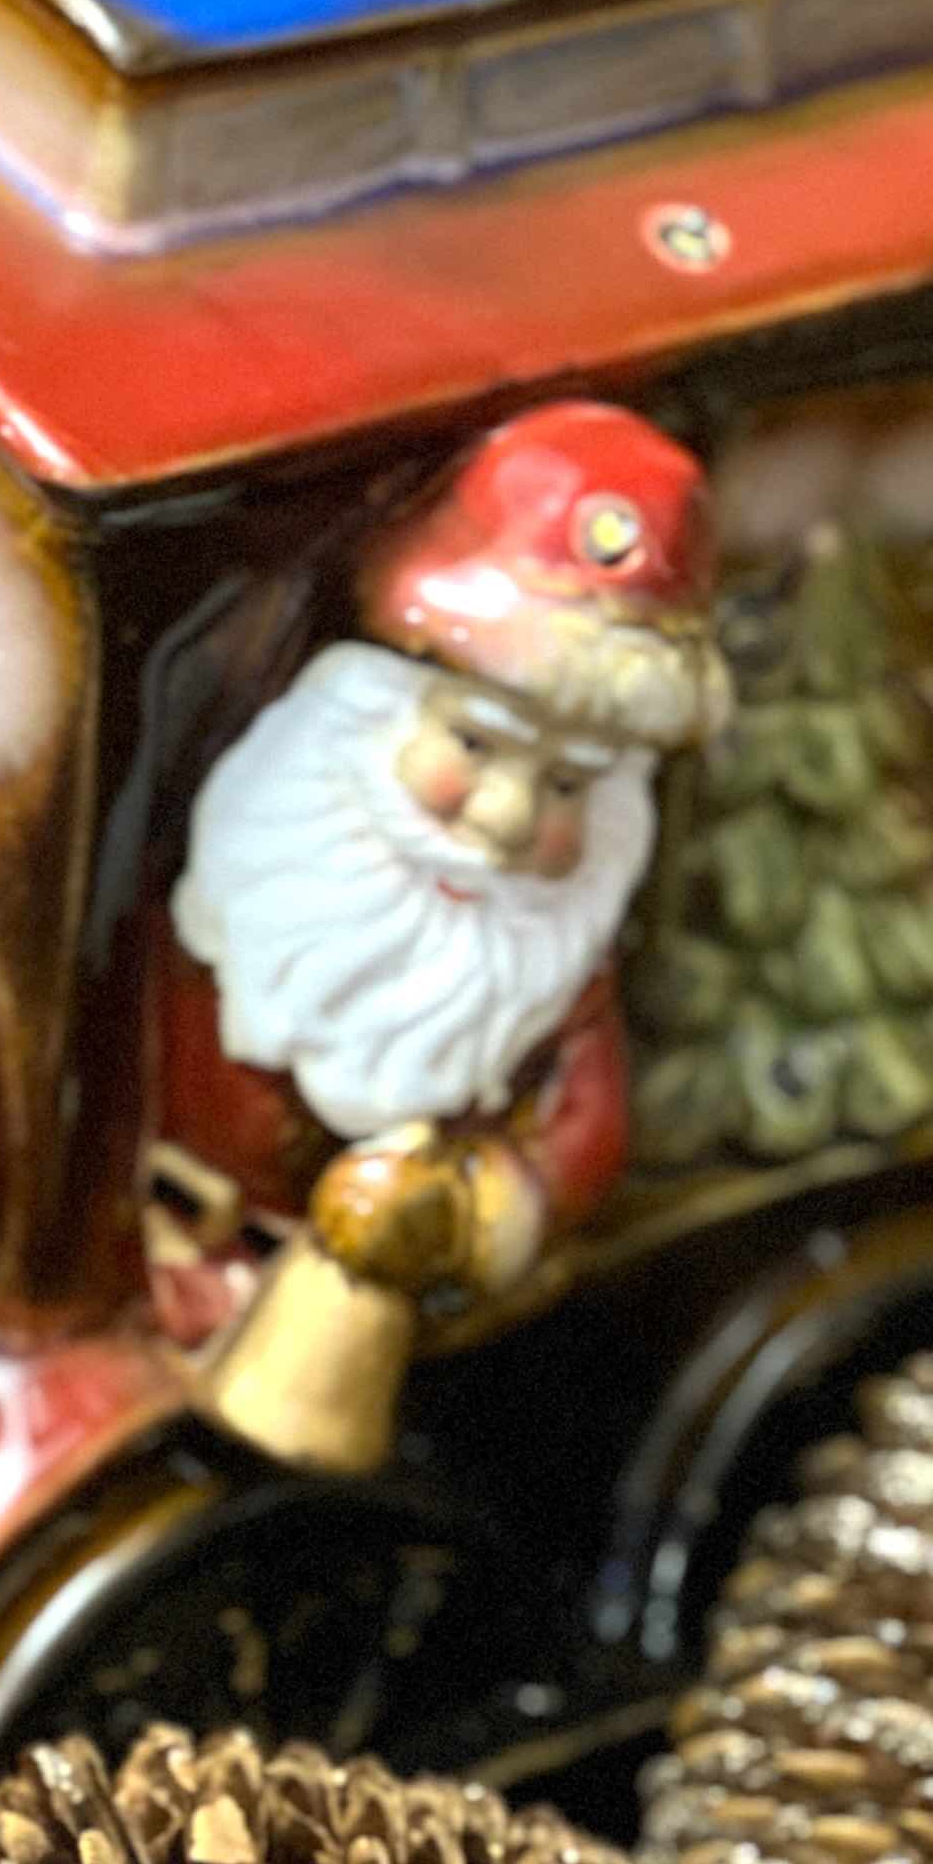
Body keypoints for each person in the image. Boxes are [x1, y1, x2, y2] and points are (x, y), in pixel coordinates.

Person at [152, 398, 729, 1469]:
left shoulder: (556, 962)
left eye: (566, 786)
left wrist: (467, 1213)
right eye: (473, 745)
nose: (506, 822)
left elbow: (584, 1132)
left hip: (434, 1342)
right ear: (361, 716)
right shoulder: (251, 881)